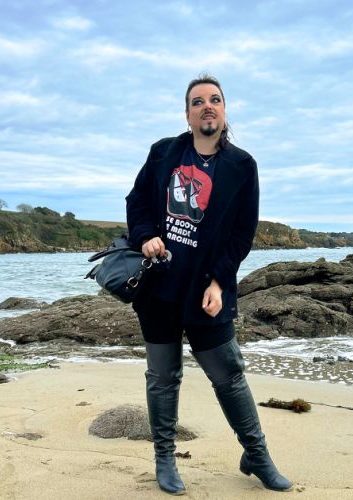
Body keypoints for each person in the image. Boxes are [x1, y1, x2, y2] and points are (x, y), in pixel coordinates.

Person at [126, 74, 292, 495]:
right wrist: (145, 237)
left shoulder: (242, 166)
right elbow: (137, 202)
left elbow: (242, 234)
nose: (207, 107)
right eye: (197, 101)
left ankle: (256, 455)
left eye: (214, 99)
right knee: (162, 376)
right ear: (187, 114)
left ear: (224, 110)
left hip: (206, 291)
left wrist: (219, 282)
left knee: (229, 374)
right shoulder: (164, 152)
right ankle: (165, 458)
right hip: (159, 286)